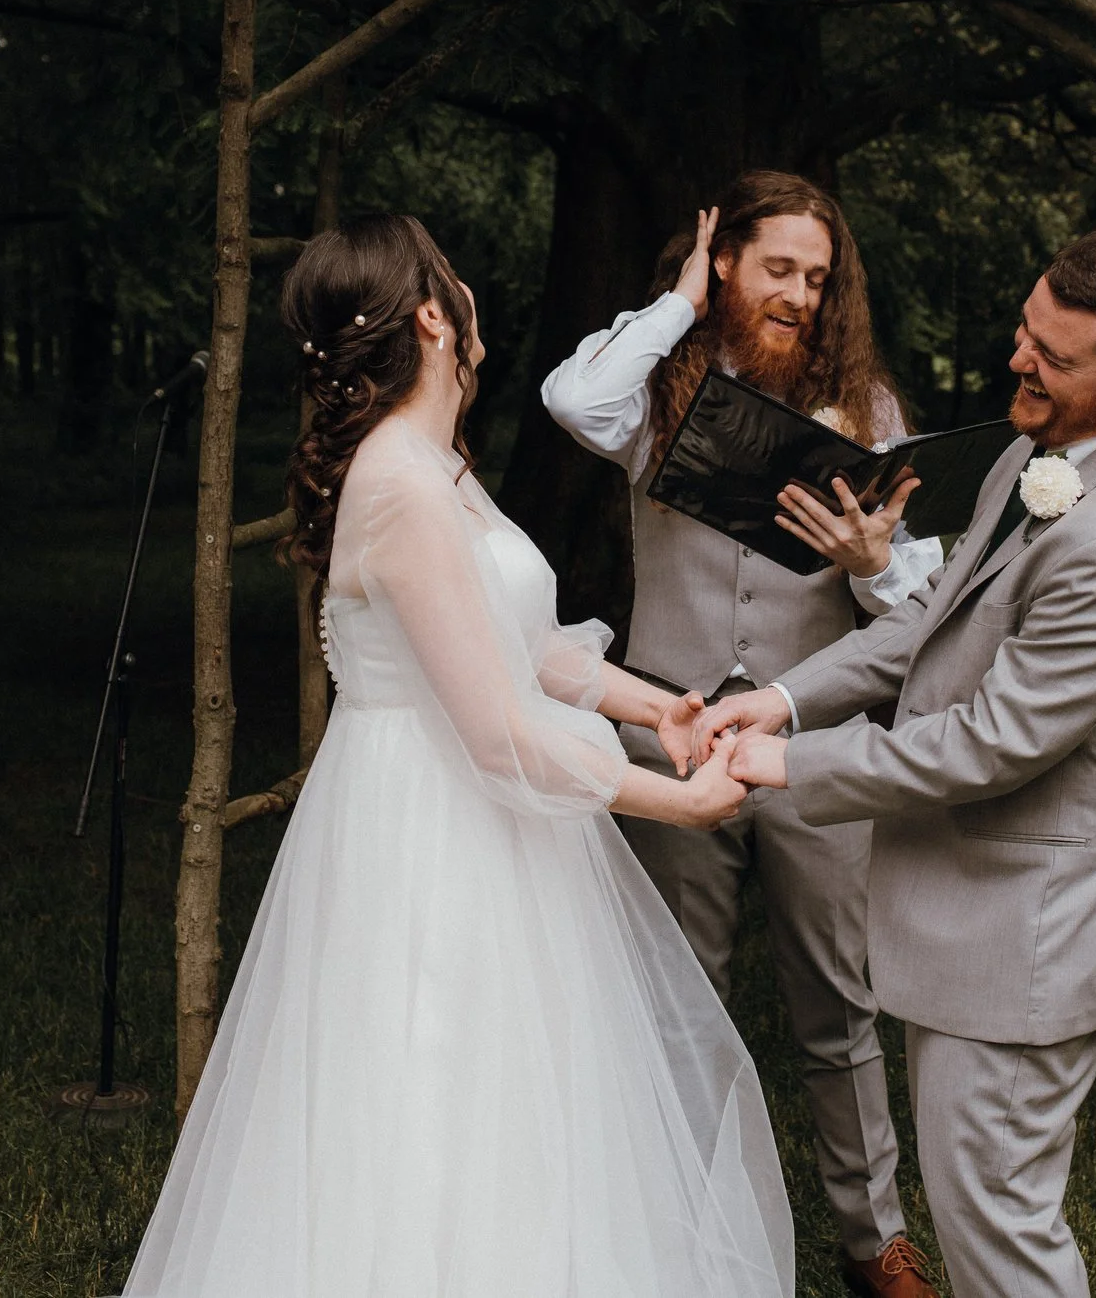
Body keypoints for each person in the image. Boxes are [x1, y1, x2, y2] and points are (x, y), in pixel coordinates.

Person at [124, 213, 793, 1297]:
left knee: (522, 1102)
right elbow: (499, 729)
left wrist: (662, 709)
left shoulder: (435, 464)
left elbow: (524, 646)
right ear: (435, 316)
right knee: (429, 1095)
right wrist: (684, 801)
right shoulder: (398, 484)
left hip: (486, 816)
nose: (472, 300)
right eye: (458, 287)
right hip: (430, 831)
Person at [698, 225, 1096, 1298]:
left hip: (1031, 934)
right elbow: (936, 610)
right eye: (1025, 330)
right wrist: (783, 699)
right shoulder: (1046, 449)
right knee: (983, 1209)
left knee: (1001, 1233)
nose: (1017, 361)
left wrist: (786, 766)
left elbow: (994, 739)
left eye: (1052, 354)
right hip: (983, 914)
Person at [540, 171, 940, 1298]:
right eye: (777, 269)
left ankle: (876, 1239)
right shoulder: (657, 396)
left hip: (814, 743)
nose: (801, 295)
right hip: (670, 732)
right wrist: (676, 302)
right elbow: (571, 397)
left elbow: (914, 611)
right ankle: (679, 1228)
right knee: (679, 990)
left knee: (837, 1003)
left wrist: (869, 566)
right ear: (725, 264)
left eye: (818, 277)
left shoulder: (869, 408)